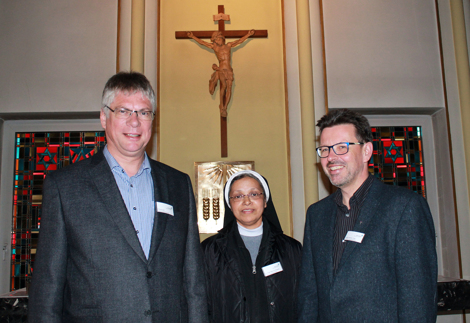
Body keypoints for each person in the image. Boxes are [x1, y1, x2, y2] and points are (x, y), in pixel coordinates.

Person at [28, 72, 208, 322]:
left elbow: (194, 280)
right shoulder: (65, 187)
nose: (135, 122)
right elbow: (47, 288)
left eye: (144, 112)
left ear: (152, 121)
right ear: (104, 117)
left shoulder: (178, 184)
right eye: (123, 111)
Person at [298, 109, 437, 322]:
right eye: (325, 149)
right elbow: (309, 295)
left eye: (342, 147)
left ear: (366, 151)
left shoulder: (404, 207)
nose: (331, 157)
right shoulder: (316, 214)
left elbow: (417, 299)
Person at [201, 170, 302, 322]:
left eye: (254, 194)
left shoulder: (291, 249)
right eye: (238, 196)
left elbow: (303, 303)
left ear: (265, 200)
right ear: (230, 204)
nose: (246, 201)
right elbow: (201, 305)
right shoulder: (209, 250)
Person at [187, 30, 255, 117]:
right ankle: (221, 105)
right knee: (224, 87)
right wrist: (193, 37)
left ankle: (225, 107)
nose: (215, 42)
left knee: (229, 88)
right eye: (214, 41)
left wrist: (248, 34)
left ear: (221, 38)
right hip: (222, 70)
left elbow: (239, 41)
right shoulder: (215, 48)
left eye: (216, 40)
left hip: (229, 70)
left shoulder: (229, 45)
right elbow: (203, 43)